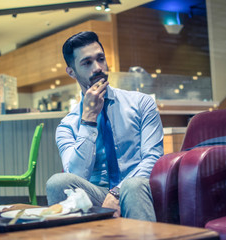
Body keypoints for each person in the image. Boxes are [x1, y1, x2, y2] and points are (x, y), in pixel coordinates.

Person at [46, 31, 164, 221]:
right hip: (96, 196)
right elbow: (76, 176)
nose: (98, 68)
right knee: (57, 182)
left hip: (137, 189)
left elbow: (154, 158)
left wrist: (118, 192)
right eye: (87, 63)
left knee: (133, 186)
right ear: (71, 72)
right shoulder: (67, 126)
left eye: (101, 59)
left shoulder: (141, 103)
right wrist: (89, 119)